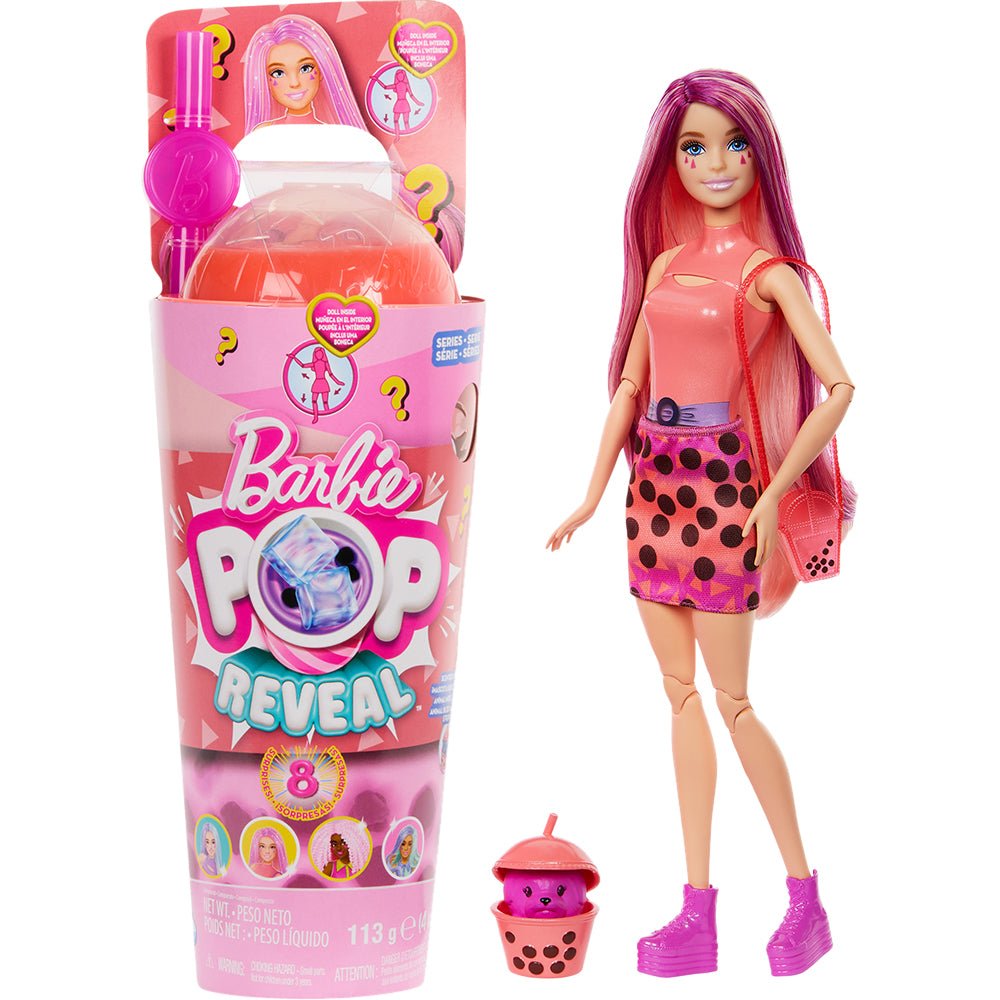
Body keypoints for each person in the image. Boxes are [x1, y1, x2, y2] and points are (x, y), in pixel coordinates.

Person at [547, 70, 855, 979]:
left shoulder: (768, 276)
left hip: (723, 490)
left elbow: (840, 387)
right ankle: (697, 912)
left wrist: (772, 493)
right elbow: (630, 385)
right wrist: (592, 492)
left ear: (761, 157)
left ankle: (805, 898)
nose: (714, 162)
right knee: (679, 697)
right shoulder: (667, 265)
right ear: (670, 160)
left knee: (733, 702)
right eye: (693, 146)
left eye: (734, 143)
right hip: (653, 488)